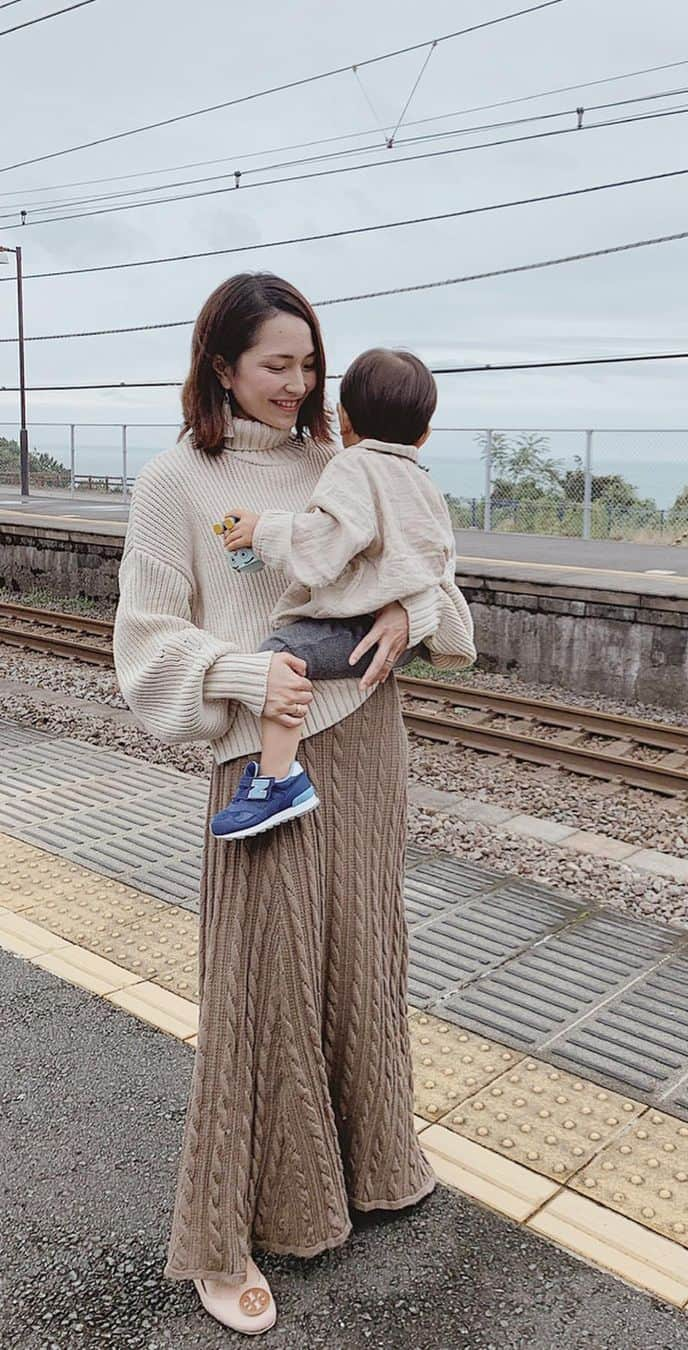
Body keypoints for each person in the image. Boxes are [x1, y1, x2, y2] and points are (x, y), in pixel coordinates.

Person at [113, 273, 448, 1335]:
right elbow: (147, 636)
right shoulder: (179, 479)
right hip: (266, 745)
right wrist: (244, 676)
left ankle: (371, 1165)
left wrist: (410, 605)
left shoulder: (349, 462)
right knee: (258, 981)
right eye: (275, 365)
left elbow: (438, 569)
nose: (296, 384)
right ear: (221, 364)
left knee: (362, 951)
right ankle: (225, 1238)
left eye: (310, 366)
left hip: (369, 743)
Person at [209, 346, 475, 841]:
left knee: (278, 657)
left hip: (357, 627)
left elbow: (326, 544)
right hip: (406, 634)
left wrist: (263, 530)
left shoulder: (354, 467)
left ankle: (276, 780)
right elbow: (440, 561)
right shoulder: (424, 483)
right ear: (425, 434)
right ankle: (276, 779)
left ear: (344, 419)